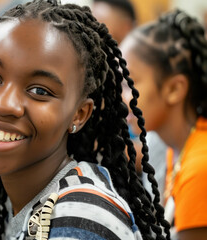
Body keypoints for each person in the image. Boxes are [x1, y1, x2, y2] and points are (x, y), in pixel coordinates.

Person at [0, 1, 170, 239]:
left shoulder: (80, 219)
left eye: (39, 91)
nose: (3, 104)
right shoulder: (18, 200)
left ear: (79, 114)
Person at [120, 9, 207, 239]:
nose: (121, 98)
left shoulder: (200, 167)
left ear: (174, 89)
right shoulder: (176, 149)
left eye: (130, 84)